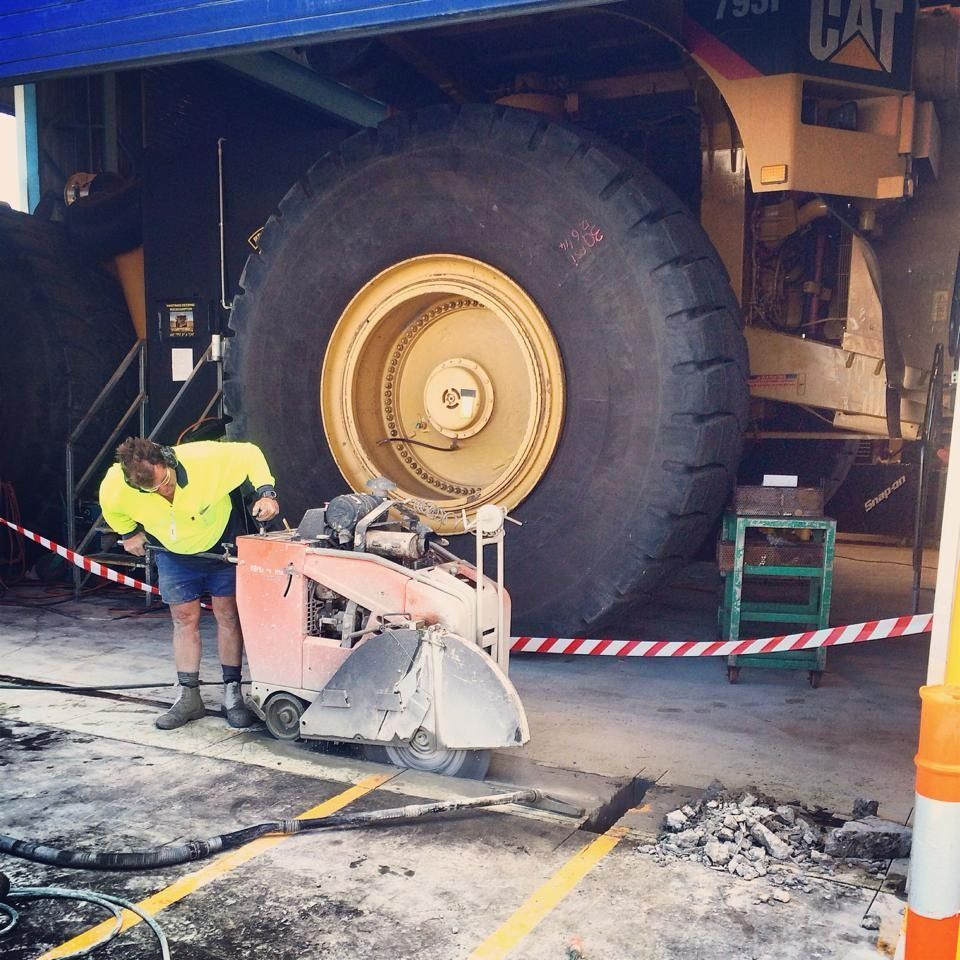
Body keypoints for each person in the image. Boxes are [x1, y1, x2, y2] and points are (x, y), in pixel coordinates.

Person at [99, 437, 280, 730]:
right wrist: (129, 532)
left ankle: (232, 694)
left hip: (219, 543)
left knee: (228, 615)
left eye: (165, 482)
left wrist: (266, 493)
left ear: (168, 461)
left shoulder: (203, 457)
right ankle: (189, 696)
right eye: (152, 491)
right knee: (184, 619)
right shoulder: (115, 486)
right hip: (173, 551)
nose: (164, 491)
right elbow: (113, 510)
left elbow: (250, 453)